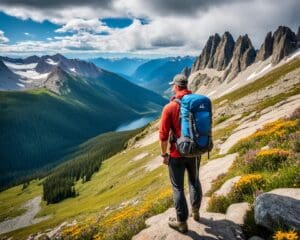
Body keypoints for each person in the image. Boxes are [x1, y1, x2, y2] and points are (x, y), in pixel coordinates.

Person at [159, 74, 202, 233]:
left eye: (173, 85)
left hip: (177, 154)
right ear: (186, 86)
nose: (172, 87)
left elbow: (163, 136)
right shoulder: (197, 103)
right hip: (195, 152)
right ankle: (196, 211)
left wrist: (164, 155)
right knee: (194, 180)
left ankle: (182, 223)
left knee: (178, 187)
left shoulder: (169, 107)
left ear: (176, 87)